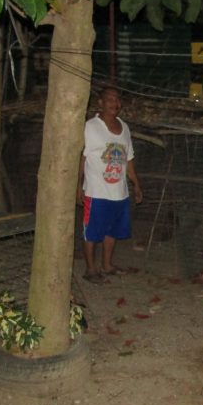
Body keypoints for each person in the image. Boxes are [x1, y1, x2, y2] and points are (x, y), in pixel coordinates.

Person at [78, 87, 142, 284]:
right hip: (96, 192)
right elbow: (81, 158)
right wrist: (77, 187)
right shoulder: (90, 127)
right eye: (110, 99)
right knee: (92, 233)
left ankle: (107, 265)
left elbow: (128, 160)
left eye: (117, 100)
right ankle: (90, 270)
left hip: (119, 192)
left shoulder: (124, 128)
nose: (115, 104)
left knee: (112, 231)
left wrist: (136, 185)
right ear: (101, 103)